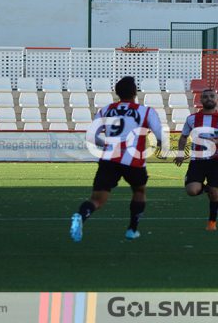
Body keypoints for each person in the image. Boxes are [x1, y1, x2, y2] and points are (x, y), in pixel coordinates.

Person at [70, 76, 164, 242]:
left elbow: (91, 136)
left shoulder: (106, 110)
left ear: (117, 92)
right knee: (139, 191)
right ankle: (132, 230)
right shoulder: (146, 111)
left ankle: (81, 215)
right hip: (133, 160)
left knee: (97, 199)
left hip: (109, 159)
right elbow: (159, 135)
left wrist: (106, 143)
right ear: (135, 93)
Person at [174, 88, 218, 231]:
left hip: (216, 161)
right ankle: (209, 189)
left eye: (212, 96)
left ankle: (212, 223)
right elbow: (183, 137)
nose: (209, 99)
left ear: (216, 99)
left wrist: (215, 141)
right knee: (192, 191)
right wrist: (180, 153)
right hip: (197, 161)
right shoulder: (192, 119)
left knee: (215, 194)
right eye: (205, 97)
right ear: (200, 100)